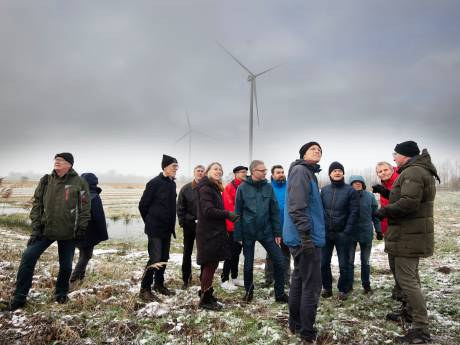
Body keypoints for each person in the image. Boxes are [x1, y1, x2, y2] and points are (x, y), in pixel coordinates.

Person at [4, 153, 90, 311]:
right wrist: (36, 228)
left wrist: (81, 228)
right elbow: (37, 204)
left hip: (68, 233)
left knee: (66, 266)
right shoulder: (46, 180)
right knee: (27, 258)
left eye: (61, 160)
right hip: (45, 230)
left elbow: (85, 208)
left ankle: (61, 294)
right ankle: (20, 297)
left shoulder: (79, 182)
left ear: (69, 164)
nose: (57, 162)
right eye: (56, 159)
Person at [375, 141, 439, 344]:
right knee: (407, 278)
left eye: (396, 154)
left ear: (405, 155)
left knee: (408, 281)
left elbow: (409, 203)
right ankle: (410, 312)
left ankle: (421, 329)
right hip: (408, 233)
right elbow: (408, 197)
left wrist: (383, 211)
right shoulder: (416, 170)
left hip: (409, 234)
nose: (393, 157)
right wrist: (386, 194)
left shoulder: (413, 172)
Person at [283, 141, 325, 344]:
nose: (317, 151)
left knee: (299, 281)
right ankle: (307, 331)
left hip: (301, 237)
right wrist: (307, 236)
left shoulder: (308, 173)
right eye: (312, 149)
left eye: (319, 150)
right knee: (312, 285)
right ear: (303, 154)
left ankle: (295, 323)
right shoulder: (301, 172)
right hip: (305, 239)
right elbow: (297, 206)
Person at [233, 160, 288, 303]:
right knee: (248, 265)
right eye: (261, 170)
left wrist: (277, 232)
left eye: (265, 170)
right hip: (248, 232)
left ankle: (280, 294)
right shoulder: (242, 188)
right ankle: (248, 292)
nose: (264, 172)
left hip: (266, 231)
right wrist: (238, 234)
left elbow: (274, 211)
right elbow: (237, 212)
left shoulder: (268, 188)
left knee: (280, 260)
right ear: (253, 172)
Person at [195, 162, 239, 310]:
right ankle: (205, 299)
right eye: (215, 169)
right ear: (208, 171)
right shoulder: (206, 188)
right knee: (209, 265)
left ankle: (205, 293)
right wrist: (228, 214)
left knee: (211, 265)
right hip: (208, 233)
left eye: (220, 169)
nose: (218, 171)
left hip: (213, 232)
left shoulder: (213, 188)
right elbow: (208, 210)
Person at [138, 154, 178, 301]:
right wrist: (149, 221)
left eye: (176, 167)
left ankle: (159, 284)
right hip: (154, 228)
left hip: (167, 229)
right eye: (174, 166)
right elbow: (143, 205)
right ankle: (144, 289)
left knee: (164, 258)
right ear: (165, 167)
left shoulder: (172, 184)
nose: (176, 169)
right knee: (155, 258)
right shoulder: (154, 183)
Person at [320, 161, 359, 300]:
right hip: (326, 234)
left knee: (344, 264)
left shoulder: (350, 191)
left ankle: (343, 289)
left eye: (339, 171)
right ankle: (327, 288)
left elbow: (354, 212)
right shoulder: (324, 190)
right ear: (330, 174)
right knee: (323, 263)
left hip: (343, 234)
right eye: (334, 171)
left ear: (343, 174)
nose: (337, 172)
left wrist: (347, 231)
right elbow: (320, 211)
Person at [70, 172, 108, 283]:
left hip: (74, 230)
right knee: (86, 255)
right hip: (88, 231)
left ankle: (80, 278)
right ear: (93, 183)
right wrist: (103, 234)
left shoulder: (76, 194)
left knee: (83, 253)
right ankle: (73, 279)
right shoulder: (94, 197)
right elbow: (99, 216)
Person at [372, 162, 402, 301]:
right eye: (380, 171)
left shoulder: (399, 180)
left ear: (392, 169)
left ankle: (404, 291)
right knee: (392, 261)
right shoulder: (384, 184)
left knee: (400, 262)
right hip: (389, 227)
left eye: (385, 170)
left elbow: (400, 202)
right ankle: (399, 287)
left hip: (400, 227)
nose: (383, 173)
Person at [348, 175, 382, 294]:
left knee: (365, 261)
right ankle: (349, 285)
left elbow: (375, 216)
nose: (357, 184)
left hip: (366, 233)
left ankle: (366, 285)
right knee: (349, 261)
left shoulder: (370, 196)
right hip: (350, 234)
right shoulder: (347, 196)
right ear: (350, 184)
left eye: (360, 182)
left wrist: (378, 230)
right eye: (355, 182)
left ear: (363, 184)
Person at [176, 164, 205, 289]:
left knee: (204, 253)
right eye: (198, 171)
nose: (200, 173)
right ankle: (186, 279)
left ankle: (204, 278)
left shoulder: (207, 188)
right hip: (189, 227)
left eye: (202, 171)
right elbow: (180, 208)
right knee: (187, 253)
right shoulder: (186, 189)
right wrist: (189, 220)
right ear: (194, 173)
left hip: (204, 227)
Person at [264, 165, 291, 288]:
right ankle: (269, 279)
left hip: (287, 226)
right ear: (272, 175)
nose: (281, 174)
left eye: (282, 172)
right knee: (271, 254)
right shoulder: (267, 187)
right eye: (278, 172)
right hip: (272, 227)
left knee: (286, 253)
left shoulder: (289, 187)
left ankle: (286, 279)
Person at [221, 165, 247, 290]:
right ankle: (224, 279)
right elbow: (229, 208)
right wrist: (237, 225)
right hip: (233, 227)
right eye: (242, 172)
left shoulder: (246, 186)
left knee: (237, 253)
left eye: (245, 172)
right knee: (230, 253)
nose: (244, 174)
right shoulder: (229, 188)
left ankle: (235, 277)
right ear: (235, 174)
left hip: (243, 226)